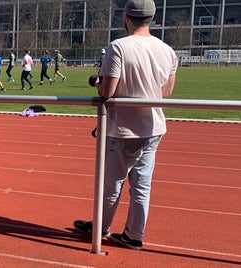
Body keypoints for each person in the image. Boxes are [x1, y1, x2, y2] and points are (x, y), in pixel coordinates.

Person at [73, 0, 178, 251]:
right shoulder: (167, 50)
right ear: (151, 17)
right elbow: (166, 91)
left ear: (126, 17)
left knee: (112, 184)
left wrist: (98, 83)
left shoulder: (118, 47)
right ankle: (134, 234)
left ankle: (101, 228)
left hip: (124, 129)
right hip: (153, 127)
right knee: (142, 185)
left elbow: (107, 91)